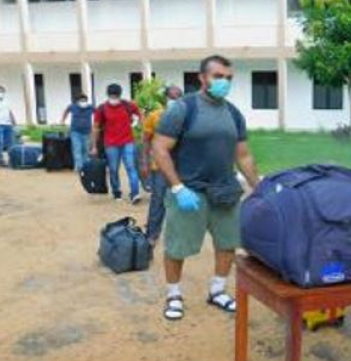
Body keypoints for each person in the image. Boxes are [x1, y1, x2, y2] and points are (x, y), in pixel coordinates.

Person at [153, 55, 260, 321]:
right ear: (202, 78)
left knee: (227, 243)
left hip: (225, 191)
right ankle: (174, 294)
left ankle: (217, 290)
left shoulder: (233, 113)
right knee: (177, 247)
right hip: (190, 192)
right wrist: (177, 188)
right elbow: (159, 148)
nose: (224, 82)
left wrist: (258, 186)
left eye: (229, 78)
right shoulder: (184, 108)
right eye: (218, 76)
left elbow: (243, 155)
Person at [141, 85, 183, 247]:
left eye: (177, 97)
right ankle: (152, 234)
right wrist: (143, 161)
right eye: (171, 97)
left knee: (180, 202)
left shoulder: (186, 118)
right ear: (165, 99)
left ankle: (179, 235)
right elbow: (145, 140)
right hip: (159, 167)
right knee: (158, 200)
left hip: (181, 167)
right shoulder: (154, 116)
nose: (174, 100)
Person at [91, 83, 144, 204]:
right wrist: (94, 146)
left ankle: (135, 193)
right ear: (108, 95)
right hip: (111, 144)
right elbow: (96, 127)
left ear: (120, 95)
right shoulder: (102, 109)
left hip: (127, 142)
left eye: (116, 95)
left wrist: (142, 128)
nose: (114, 98)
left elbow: (140, 114)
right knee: (114, 169)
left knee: (131, 167)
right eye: (112, 95)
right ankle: (117, 193)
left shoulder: (128, 105)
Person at [61, 93, 94, 171]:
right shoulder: (72, 106)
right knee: (77, 148)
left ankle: (85, 165)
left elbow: (98, 113)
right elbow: (66, 111)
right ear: (77, 101)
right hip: (75, 131)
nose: (83, 102)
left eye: (85, 100)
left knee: (85, 149)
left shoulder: (90, 107)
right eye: (81, 100)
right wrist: (63, 120)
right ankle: (79, 166)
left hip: (87, 131)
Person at [0, 85, 17, 167]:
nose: (1, 93)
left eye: (2, 91)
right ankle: (1, 160)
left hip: (8, 124)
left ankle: (12, 159)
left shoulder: (7, 101)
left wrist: (14, 122)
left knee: (10, 143)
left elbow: (10, 112)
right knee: (0, 142)